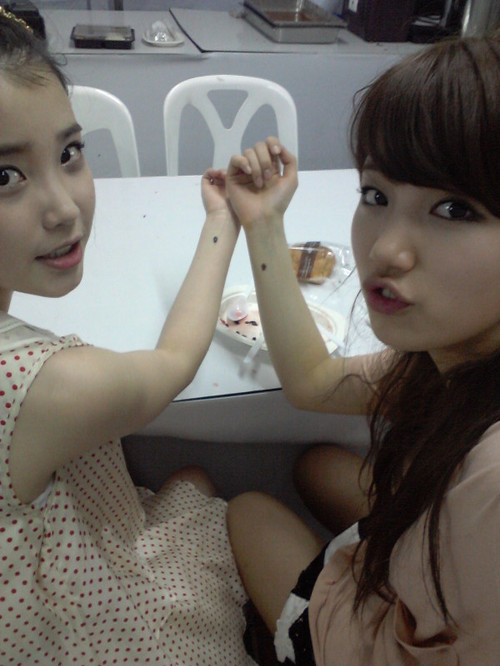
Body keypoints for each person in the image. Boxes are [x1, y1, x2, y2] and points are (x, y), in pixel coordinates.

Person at [225, 32, 500, 665]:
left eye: (454, 209)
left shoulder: (490, 476)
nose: (385, 250)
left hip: (376, 646)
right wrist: (263, 223)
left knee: (247, 512)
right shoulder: (453, 354)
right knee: (317, 465)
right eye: (376, 195)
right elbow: (314, 381)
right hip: (417, 571)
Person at [0, 8, 255, 665]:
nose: (64, 208)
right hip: (89, 631)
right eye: (5, 177)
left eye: (69, 154)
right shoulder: (48, 385)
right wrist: (222, 221)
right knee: (201, 483)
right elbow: (175, 359)